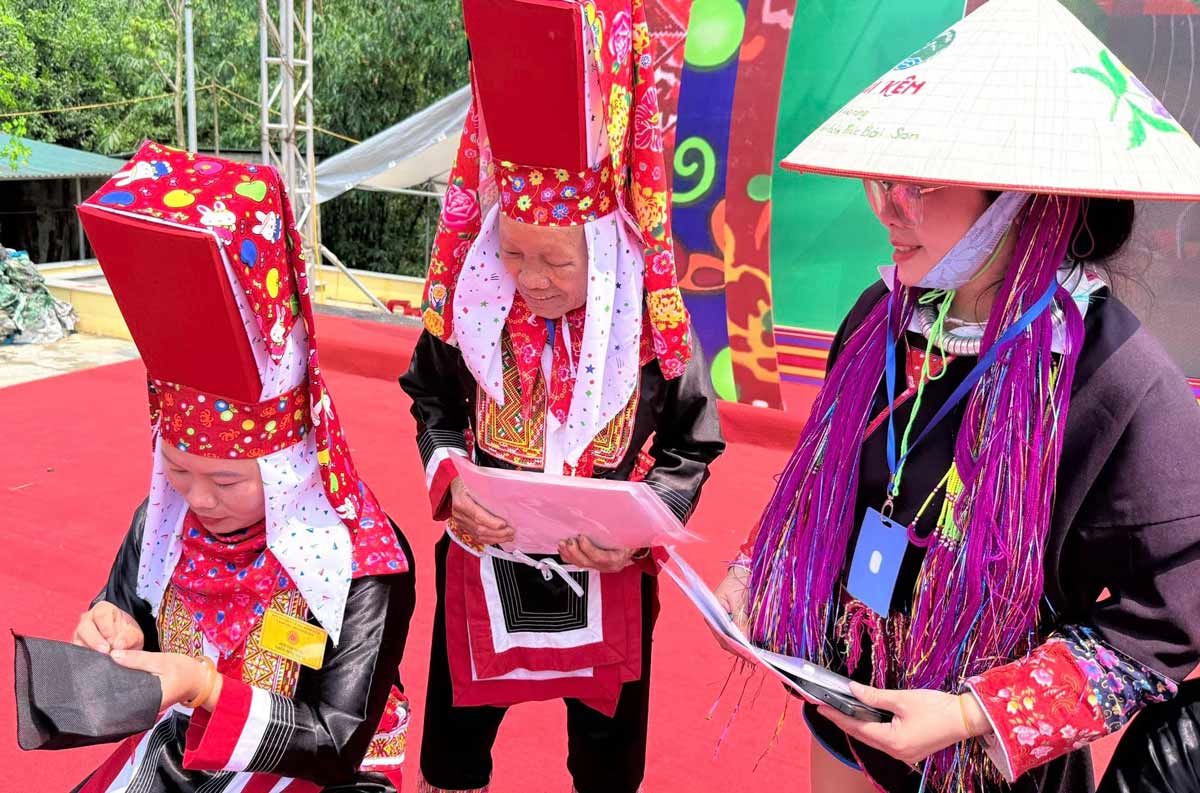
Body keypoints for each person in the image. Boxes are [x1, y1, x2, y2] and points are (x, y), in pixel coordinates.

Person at [711, 2, 1200, 792]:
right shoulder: (883, 317)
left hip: (985, 769)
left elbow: (1170, 618)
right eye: (886, 178)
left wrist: (974, 712)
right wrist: (756, 571)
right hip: (847, 724)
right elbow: (823, 489)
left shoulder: (1115, 375)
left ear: (1020, 197)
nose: (885, 207)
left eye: (921, 185)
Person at [399, 2, 725, 791]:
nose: (531, 279)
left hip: (608, 573)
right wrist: (449, 481)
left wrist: (641, 528)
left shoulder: (649, 326)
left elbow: (693, 444)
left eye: (555, 260)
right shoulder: (475, 307)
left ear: (608, 254)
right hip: (482, 559)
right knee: (452, 751)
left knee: (608, 766)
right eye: (512, 252)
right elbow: (431, 403)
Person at [67, 143, 416, 792]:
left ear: (288, 464)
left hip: (324, 766)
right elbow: (135, 613)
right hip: (193, 737)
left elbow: (336, 737)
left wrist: (204, 683)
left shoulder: (363, 561)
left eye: (227, 479)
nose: (197, 498)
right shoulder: (163, 521)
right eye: (175, 468)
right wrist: (111, 622)